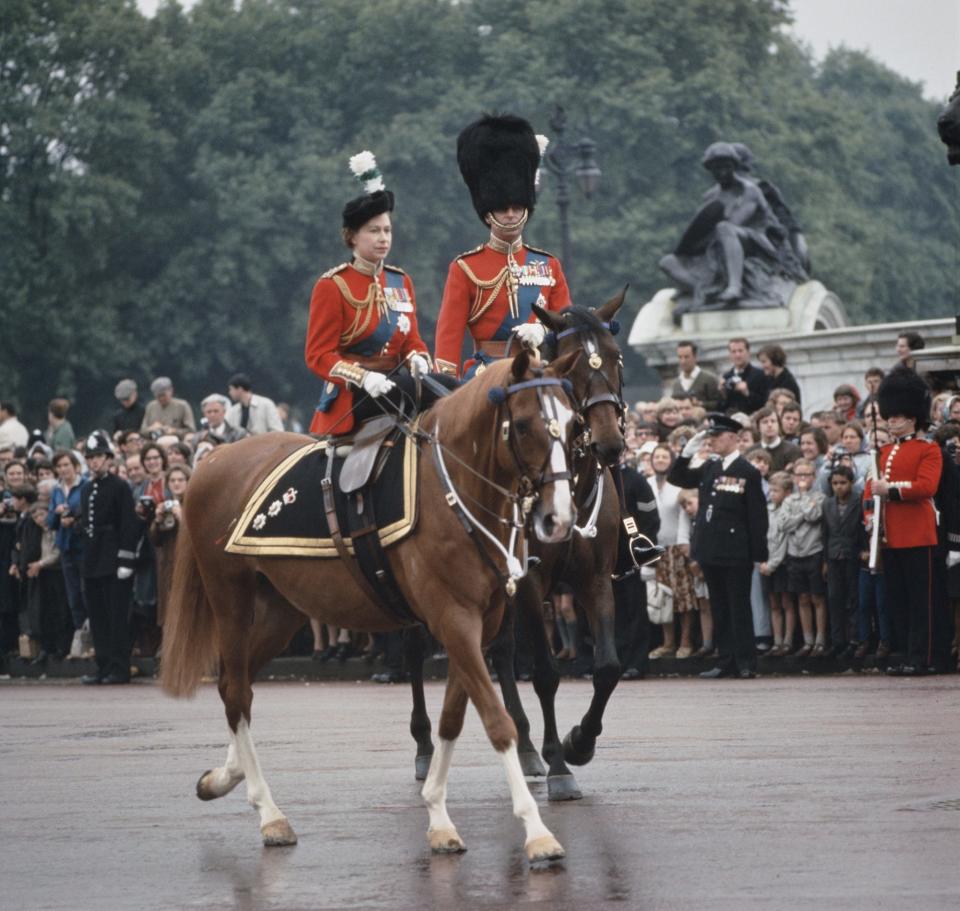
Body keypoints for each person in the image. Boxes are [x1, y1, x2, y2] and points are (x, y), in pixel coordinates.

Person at [305, 151, 454, 436]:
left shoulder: (400, 281)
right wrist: (362, 377)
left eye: (387, 230)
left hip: (396, 382)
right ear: (352, 236)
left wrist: (418, 358)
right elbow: (318, 355)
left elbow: (411, 340)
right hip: (355, 394)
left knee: (452, 386)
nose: (383, 238)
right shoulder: (333, 285)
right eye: (374, 231)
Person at [434, 114, 570, 379]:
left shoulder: (548, 265)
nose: (510, 214)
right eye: (502, 208)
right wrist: (444, 386)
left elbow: (567, 324)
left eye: (517, 207)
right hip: (486, 374)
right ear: (487, 213)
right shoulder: (465, 267)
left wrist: (543, 331)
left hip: (541, 368)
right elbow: (449, 334)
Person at [668, 412, 768, 678]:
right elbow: (678, 479)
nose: (712, 441)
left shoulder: (747, 471)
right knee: (719, 608)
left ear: (734, 438)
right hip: (711, 549)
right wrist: (687, 451)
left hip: (737, 550)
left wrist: (759, 553)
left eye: (718, 436)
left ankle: (746, 662)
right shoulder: (711, 467)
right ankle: (726, 660)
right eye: (710, 436)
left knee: (739, 607)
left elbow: (757, 515)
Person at [864, 367, 945, 674]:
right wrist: (872, 516)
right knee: (898, 600)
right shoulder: (883, 452)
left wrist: (892, 491)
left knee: (920, 601)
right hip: (891, 535)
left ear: (913, 417)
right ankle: (904, 654)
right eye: (890, 415)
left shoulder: (929, 449)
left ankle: (922, 658)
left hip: (918, 534)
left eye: (897, 416)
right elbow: (870, 492)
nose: (891, 420)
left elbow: (927, 487)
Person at [78, 430, 138, 685]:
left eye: (99, 457)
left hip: (113, 558)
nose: (94, 462)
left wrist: (126, 560)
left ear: (108, 458)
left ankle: (119, 668)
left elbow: (128, 524)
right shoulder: (87, 487)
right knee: (98, 617)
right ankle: (102, 666)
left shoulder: (119, 486)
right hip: (93, 559)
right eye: (90, 457)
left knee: (116, 617)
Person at [780, 459, 827, 656]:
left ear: (813, 477)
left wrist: (805, 500)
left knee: (817, 597)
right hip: (794, 554)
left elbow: (813, 515)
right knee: (802, 598)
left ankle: (820, 640)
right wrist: (801, 513)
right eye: (799, 475)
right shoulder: (789, 500)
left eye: (806, 475)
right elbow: (785, 525)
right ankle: (807, 641)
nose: (802, 479)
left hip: (813, 551)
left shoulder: (820, 497)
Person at [47, 450, 87, 658]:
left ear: (75, 466)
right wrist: (56, 513)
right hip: (66, 548)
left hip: (83, 547)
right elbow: (50, 523)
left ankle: (93, 638)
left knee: (86, 592)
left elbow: (89, 514)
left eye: (66, 465)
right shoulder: (56, 490)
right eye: (60, 466)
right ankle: (80, 636)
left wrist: (74, 520)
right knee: (73, 596)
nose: (63, 469)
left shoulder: (85, 485)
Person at [822, 465, 861, 657]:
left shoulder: (858, 501)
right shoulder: (828, 504)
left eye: (843, 483)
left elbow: (861, 530)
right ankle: (838, 640)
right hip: (833, 555)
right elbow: (825, 533)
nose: (839, 487)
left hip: (852, 554)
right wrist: (825, 561)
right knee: (834, 598)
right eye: (835, 483)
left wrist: (864, 550)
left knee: (853, 598)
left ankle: (854, 639)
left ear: (851, 483)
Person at [759, 471, 796, 655]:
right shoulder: (767, 510)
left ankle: (788, 641)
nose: (772, 494)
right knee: (773, 603)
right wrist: (763, 561)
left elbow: (783, 541)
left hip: (782, 564)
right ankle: (777, 641)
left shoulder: (789, 510)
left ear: (787, 492)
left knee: (786, 602)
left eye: (776, 491)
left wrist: (772, 563)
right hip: (767, 563)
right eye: (771, 490)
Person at [717, 338, 767, 415]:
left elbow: (765, 403)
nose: (737, 355)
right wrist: (723, 394)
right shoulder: (726, 377)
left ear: (748, 353)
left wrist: (747, 393)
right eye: (733, 352)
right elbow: (720, 408)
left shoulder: (760, 375)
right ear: (729, 355)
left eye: (740, 351)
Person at [670, 340, 721, 410]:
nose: (683, 361)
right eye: (680, 357)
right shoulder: (676, 383)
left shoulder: (709, 379)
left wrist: (700, 404)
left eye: (686, 357)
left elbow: (719, 404)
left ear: (695, 357)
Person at [753, 405, 801, 472]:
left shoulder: (793, 451)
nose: (769, 425)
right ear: (758, 427)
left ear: (779, 425)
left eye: (773, 421)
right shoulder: (751, 452)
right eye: (765, 422)